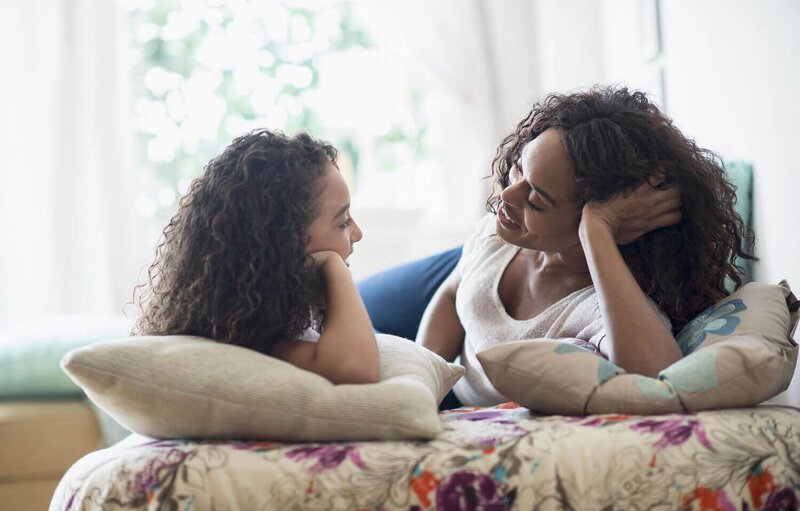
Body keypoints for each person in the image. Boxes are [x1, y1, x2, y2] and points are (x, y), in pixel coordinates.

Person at [417, 86, 755, 408]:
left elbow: (658, 380)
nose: (506, 195)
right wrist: (418, 386)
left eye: (535, 200)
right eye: (519, 168)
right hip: (445, 319)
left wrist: (596, 231)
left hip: (467, 394)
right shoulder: (500, 225)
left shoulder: (595, 307)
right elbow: (450, 295)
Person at [133, 129, 380, 384]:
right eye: (342, 222)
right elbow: (357, 369)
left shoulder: (267, 328)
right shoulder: (251, 344)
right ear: (285, 241)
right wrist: (333, 265)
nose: (358, 233)